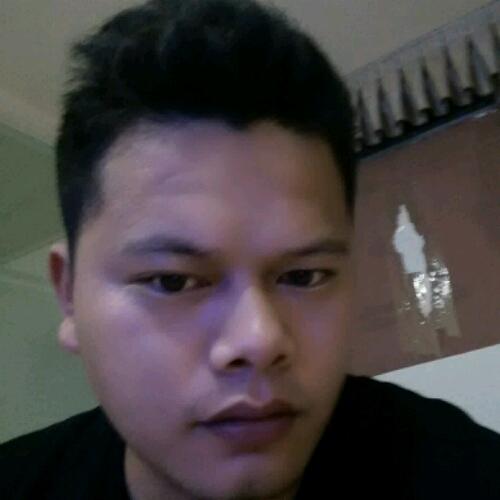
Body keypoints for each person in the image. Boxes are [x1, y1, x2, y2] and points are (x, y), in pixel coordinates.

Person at [1, 1, 499, 499]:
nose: (259, 340)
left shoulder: (463, 471)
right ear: (68, 294)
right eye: (172, 281)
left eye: (304, 276)